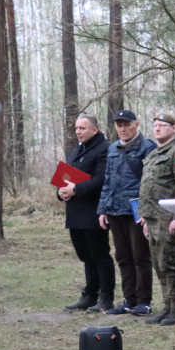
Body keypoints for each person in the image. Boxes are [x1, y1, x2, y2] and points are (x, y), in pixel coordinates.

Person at [97, 110, 156, 317]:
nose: (122, 129)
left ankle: (143, 301)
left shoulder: (148, 147)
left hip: (136, 211)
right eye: (119, 125)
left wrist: (148, 212)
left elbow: (152, 183)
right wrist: (103, 209)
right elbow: (107, 181)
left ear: (136, 124)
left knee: (140, 256)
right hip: (115, 210)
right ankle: (129, 300)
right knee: (122, 257)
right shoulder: (113, 148)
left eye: (126, 125)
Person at [137, 113, 175, 326]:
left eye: (163, 125)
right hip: (152, 218)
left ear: (174, 128)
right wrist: (144, 218)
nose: (158, 128)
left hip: (168, 218)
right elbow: (148, 186)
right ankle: (167, 307)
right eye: (155, 125)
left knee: (170, 264)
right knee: (159, 265)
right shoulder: (154, 154)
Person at [58, 115, 113, 313]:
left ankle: (106, 297)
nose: (78, 132)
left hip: (94, 211)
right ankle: (90, 295)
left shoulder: (104, 149)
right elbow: (65, 178)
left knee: (99, 255)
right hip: (75, 212)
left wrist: (77, 189)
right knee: (85, 256)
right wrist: (61, 191)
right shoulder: (76, 150)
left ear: (94, 130)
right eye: (76, 128)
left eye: (82, 128)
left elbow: (101, 180)